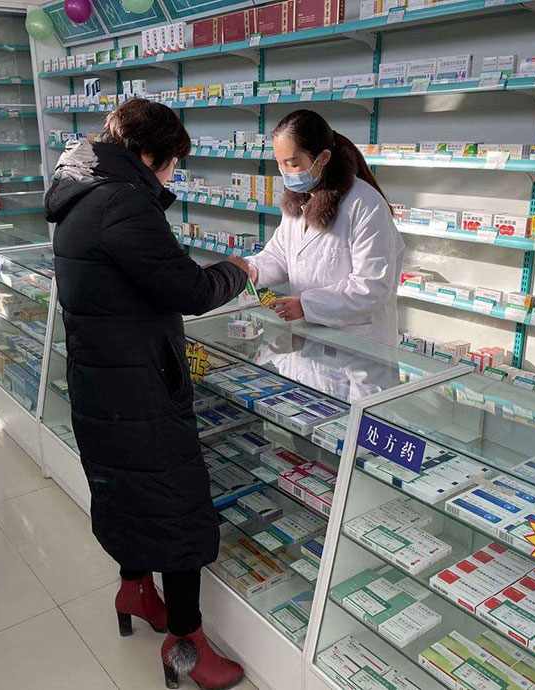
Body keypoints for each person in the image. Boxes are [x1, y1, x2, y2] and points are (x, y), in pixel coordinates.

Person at [45, 99, 250, 690]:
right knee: (176, 508)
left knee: (127, 494)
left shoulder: (80, 192)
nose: (172, 175)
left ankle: (134, 590)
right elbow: (191, 290)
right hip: (139, 388)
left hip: (102, 382)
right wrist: (239, 270)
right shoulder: (123, 202)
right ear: (149, 154)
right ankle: (187, 645)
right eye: (173, 163)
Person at [247, 110, 405, 344]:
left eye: (292, 164)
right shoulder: (301, 199)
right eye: (280, 164)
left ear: (323, 158)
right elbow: (281, 256)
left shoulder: (365, 204)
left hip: (358, 347)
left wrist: (306, 305)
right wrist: (248, 270)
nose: (285, 173)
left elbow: (371, 287)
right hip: (308, 337)